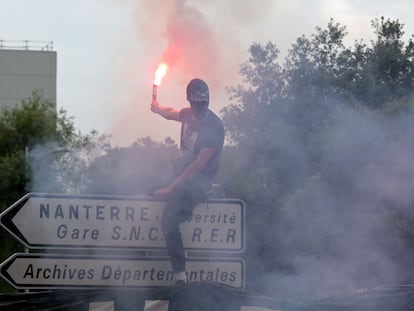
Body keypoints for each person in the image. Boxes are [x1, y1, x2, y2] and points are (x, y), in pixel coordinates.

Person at [151, 78, 225, 285]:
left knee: (168, 222)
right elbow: (172, 113)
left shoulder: (214, 127)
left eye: (202, 103)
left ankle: (180, 276)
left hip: (197, 183)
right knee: (147, 184)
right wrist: (157, 109)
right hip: (180, 175)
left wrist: (170, 188)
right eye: (196, 104)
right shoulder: (188, 115)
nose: (199, 108)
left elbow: (197, 167)